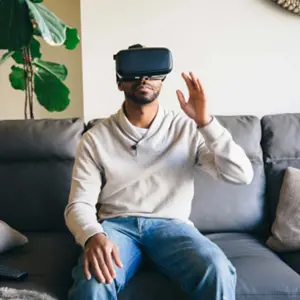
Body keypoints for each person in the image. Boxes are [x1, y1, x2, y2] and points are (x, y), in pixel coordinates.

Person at [65, 44, 254, 300]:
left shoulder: (186, 129)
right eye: (134, 72)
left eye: (152, 72)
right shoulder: (95, 138)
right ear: (120, 83)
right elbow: (79, 204)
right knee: (93, 282)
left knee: (217, 269)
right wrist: (92, 236)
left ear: (162, 80)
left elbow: (241, 175)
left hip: (172, 227)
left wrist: (205, 123)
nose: (144, 78)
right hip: (117, 228)